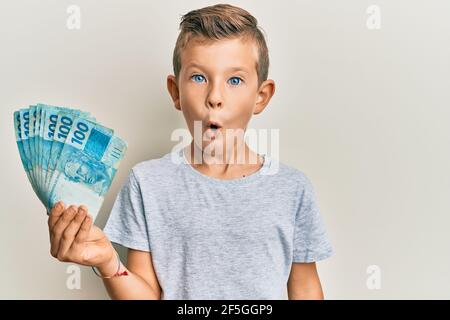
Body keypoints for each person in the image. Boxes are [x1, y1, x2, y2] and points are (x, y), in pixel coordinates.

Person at [47, 3, 333, 300]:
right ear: (176, 92)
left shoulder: (292, 188)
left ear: (261, 96)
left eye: (235, 80)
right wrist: (108, 262)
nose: (215, 98)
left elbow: (306, 289)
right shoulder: (147, 184)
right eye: (199, 77)